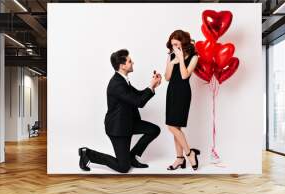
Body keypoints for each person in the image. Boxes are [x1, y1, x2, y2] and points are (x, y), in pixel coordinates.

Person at [79, 49, 162, 173]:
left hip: (128, 122)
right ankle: (88, 154)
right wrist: (151, 86)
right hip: (118, 128)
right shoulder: (117, 84)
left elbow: (138, 95)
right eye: (129, 61)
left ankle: (132, 156)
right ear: (122, 66)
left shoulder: (123, 80)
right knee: (123, 167)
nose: (132, 62)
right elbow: (139, 102)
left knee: (154, 130)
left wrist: (153, 86)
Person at [164, 30, 200, 171]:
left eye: (176, 44)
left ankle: (190, 153)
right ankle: (180, 159)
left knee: (172, 126)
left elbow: (185, 76)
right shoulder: (171, 55)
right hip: (171, 92)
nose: (174, 47)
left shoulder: (194, 56)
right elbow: (167, 77)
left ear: (183, 43)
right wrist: (173, 61)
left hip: (183, 93)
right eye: (172, 45)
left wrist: (180, 58)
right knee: (175, 127)